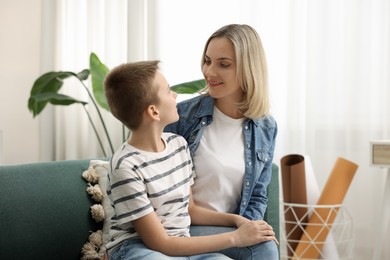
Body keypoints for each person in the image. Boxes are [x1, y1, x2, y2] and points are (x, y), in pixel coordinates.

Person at [104, 60, 277, 260]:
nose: (175, 95)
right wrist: (235, 238)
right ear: (153, 111)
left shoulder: (178, 145)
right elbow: (160, 243)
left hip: (180, 239)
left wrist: (237, 220)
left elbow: (190, 208)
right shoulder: (125, 167)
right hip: (137, 246)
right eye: (168, 91)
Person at [164, 24, 279, 259]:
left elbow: (258, 194)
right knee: (264, 248)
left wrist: (252, 228)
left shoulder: (266, 127)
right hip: (183, 227)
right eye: (207, 61)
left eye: (223, 64)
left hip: (230, 230)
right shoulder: (182, 117)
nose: (209, 72)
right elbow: (165, 193)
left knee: (260, 244)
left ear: (249, 69)